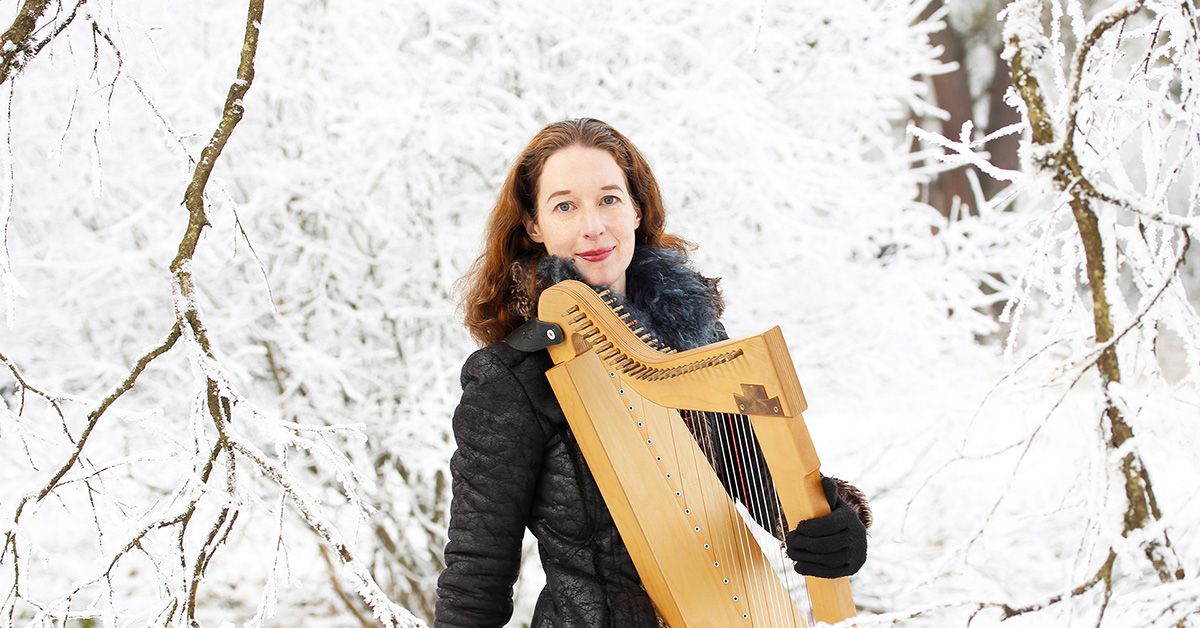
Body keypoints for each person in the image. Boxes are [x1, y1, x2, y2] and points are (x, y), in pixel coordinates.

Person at [435, 118, 870, 628]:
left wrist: (832, 528)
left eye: (609, 199)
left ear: (637, 208)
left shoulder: (691, 339)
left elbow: (752, 474)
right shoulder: (511, 378)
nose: (592, 226)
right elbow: (477, 572)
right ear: (534, 226)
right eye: (565, 206)